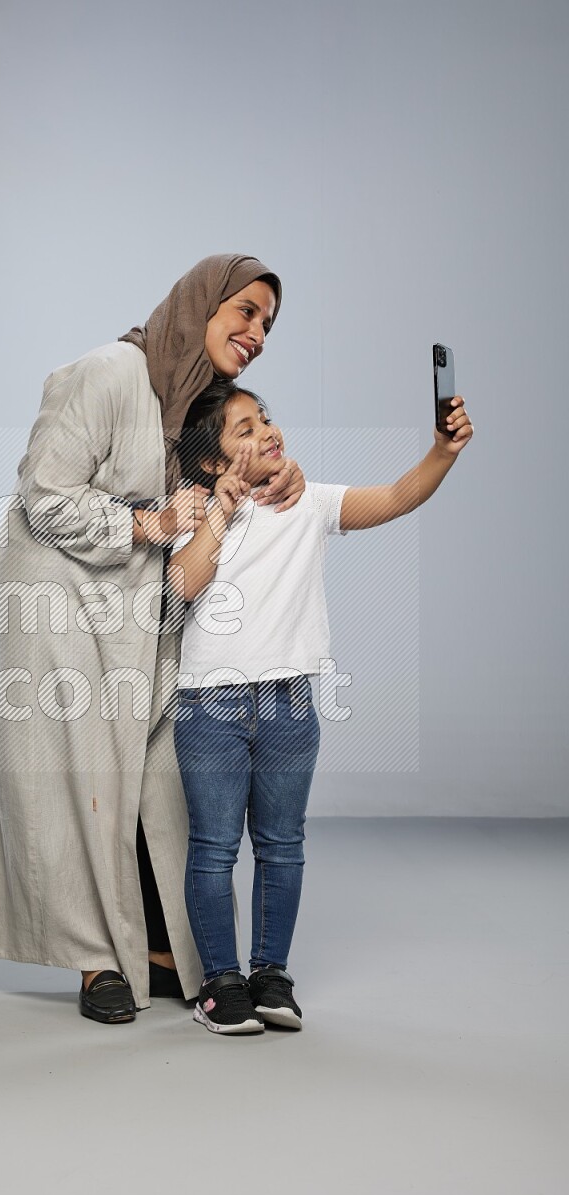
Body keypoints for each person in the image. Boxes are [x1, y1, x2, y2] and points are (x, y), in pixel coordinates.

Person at [0, 254, 308, 1023]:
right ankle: (96, 960)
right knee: (75, 776)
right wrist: (146, 524)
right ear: (204, 301)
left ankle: (161, 949)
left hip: (137, 601)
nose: (256, 332)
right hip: (53, 595)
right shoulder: (112, 372)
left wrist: (281, 478)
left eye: (267, 323)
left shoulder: (197, 401)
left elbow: (232, 462)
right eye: (246, 310)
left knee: (159, 774)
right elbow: (44, 494)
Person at [169, 377, 474, 1034]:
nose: (266, 431)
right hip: (208, 707)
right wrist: (219, 512)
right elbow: (184, 584)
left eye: (266, 419)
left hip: (290, 703)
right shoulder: (193, 509)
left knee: (282, 844)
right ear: (213, 461)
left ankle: (271, 976)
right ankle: (222, 984)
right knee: (215, 847)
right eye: (243, 429)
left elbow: (394, 497)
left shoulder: (306, 503)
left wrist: (442, 452)